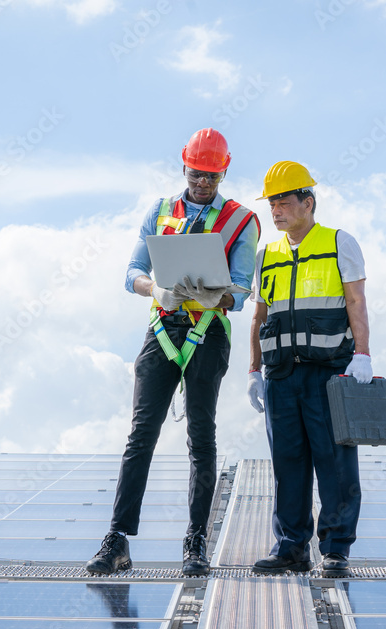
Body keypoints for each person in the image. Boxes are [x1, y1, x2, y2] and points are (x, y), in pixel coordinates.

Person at [87, 128, 260, 577]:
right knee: (140, 433)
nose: (203, 183)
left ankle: (196, 540)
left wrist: (216, 297)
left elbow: (243, 288)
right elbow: (132, 272)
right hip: (162, 328)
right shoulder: (160, 211)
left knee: (201, 437)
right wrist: (155, 290)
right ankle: (117, 539)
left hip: (208, 330)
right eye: (196, 174)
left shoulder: (242, 220)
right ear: (185, 166)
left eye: (212, 177)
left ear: (224, 172)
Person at [246, 161, 372, 577]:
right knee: (288, 464)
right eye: (272, 203)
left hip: (329, 373)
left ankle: (335, 549)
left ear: (308, 202)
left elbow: (355, 302)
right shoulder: (266, 255)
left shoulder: (339, 243)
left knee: (335, 462)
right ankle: (291, 547)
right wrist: (253, 371)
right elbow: (259, 316)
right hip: (281, 376)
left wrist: (363, 355)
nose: (276, 210)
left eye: (283, 201)